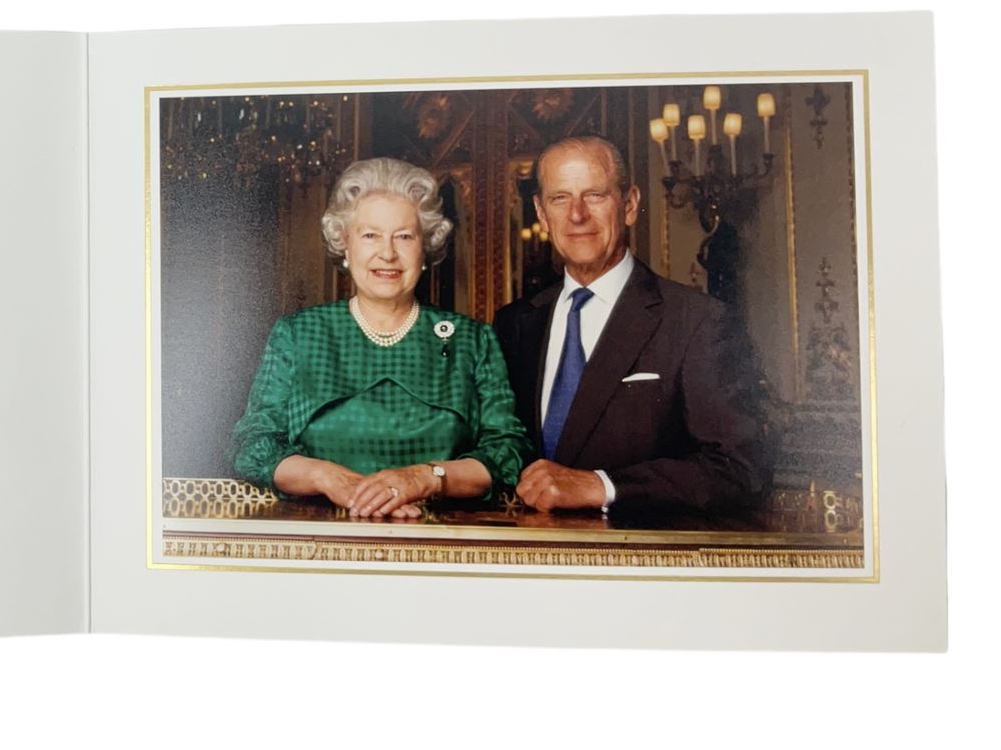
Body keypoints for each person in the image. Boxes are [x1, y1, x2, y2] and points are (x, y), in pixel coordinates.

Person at [229, 158, 532, 519]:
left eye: (404, 236)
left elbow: (508, 451)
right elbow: (253, 446)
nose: (387, 253)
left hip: (443, 543)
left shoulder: (472, 339)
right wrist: (328, 477)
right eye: (370, 235)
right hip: (318, 541)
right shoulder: (298, 334)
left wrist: (425, 478)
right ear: (345, 244)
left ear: (425, 247)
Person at [491, 135, 768, 518]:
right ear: (540, 213)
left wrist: (604, 486)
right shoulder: (514, 323)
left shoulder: (697, 321)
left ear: (631, 205)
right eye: (560, 198)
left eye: (595, 195)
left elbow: (741, 469)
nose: (576, 215)